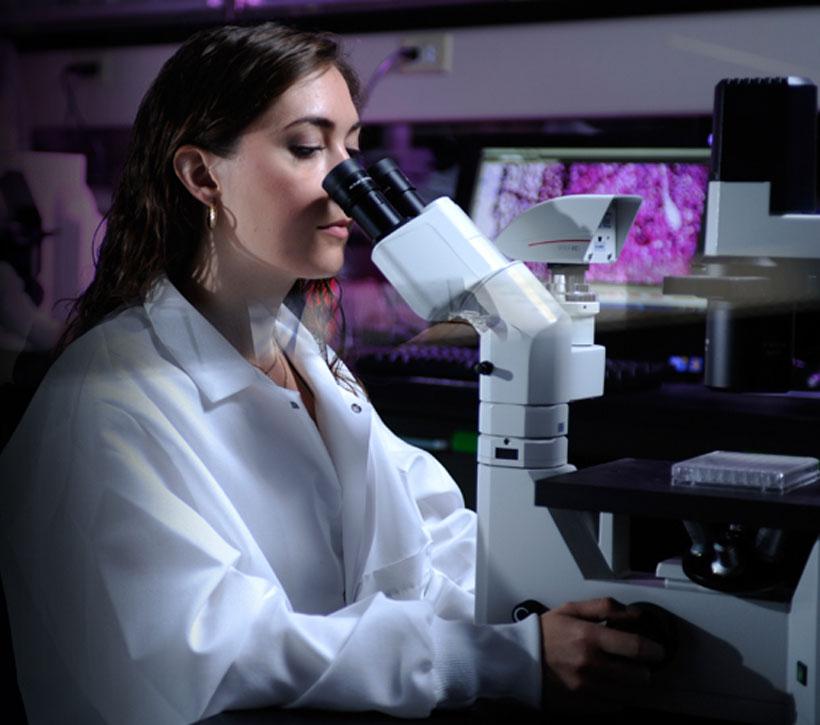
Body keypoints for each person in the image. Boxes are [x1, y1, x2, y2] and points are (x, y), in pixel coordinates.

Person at [0, 22, 665, 725]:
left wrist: (556, 609)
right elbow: (224, 650)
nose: (345, 182)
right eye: (307, 147)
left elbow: (431, 536)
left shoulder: (308, 360)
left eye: (351, 148)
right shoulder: (107, 397)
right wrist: (506, 657)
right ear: (201, 175)